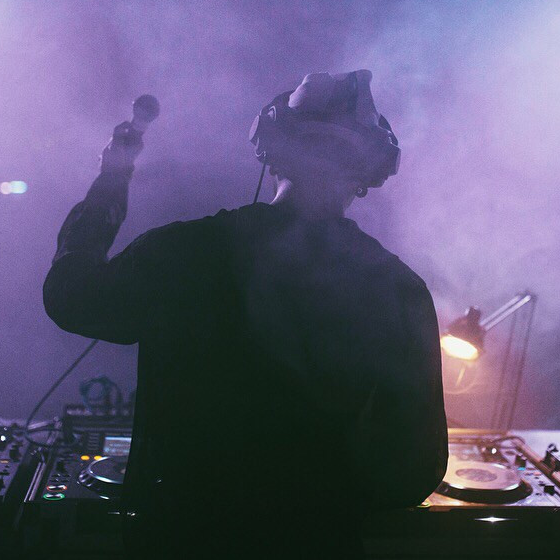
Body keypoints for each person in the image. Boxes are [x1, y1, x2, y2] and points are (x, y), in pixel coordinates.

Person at [43, 70, 448, 558]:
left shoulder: (182, 253)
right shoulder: (400, 292)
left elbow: (69, 296)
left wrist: (111, 181)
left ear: (269, 149)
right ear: (371, 172)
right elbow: (416, 469)